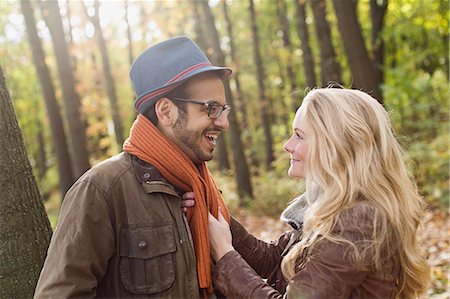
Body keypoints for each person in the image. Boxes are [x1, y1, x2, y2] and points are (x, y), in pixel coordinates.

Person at [34, 36, 233, 298]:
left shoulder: (200, 187)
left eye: (223, 109)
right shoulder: (101, 190)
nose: (223, 123)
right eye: (211, 109)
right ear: (165, 112)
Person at [206, 88, 430, 298]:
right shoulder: (332, 206)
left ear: (336, 145)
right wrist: (215, 212)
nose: (287, 145)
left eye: (299, 135)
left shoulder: (360, 220)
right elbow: (272, 259)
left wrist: (225, 254)